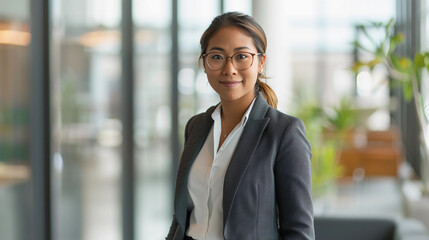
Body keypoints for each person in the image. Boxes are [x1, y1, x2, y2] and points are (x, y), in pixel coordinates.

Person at [167, 11, 314, 240]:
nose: (229, 69)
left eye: (241, 56)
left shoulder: (284, 132)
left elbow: (299, 231)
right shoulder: (195, 127)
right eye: (217, 57)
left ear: (260, 62)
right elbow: (182, 217)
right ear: (204, 63)